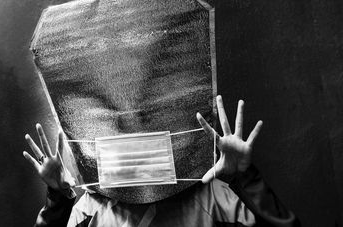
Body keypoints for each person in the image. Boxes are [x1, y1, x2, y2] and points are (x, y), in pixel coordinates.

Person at [23, 96, 300, 227]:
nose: (131, 127)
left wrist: (245, 177)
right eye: (119, 120)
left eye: (143, 117)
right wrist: (58, 200)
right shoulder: (89, 209)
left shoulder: (212, 197)